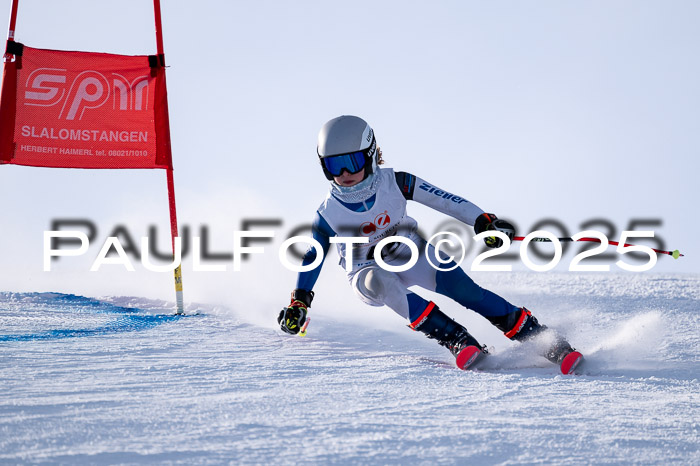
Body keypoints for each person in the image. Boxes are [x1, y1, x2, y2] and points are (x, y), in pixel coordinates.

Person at [277, 115, 583, 374]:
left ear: (369, 154)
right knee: (380, 281)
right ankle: (456, 339)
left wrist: (482, 221)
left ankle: (546, 341)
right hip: (364, 269)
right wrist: (300, 300)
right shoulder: (329, 211)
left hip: (409, 251)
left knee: (467, 292)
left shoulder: (395, 182)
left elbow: (444, 200)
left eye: (352, 162)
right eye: (334, 166)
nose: (344, 174)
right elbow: (313, 254)